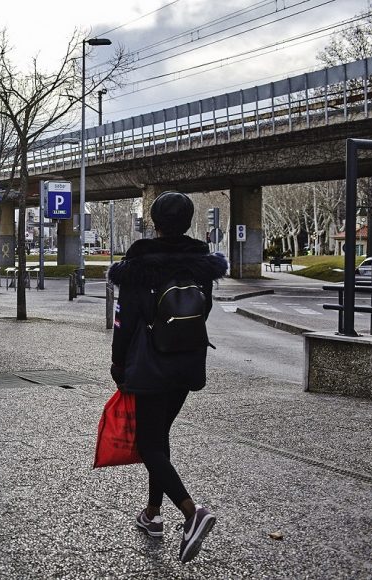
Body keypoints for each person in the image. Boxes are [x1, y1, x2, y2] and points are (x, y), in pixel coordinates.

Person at [107, 191, 228, 564]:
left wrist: (118, 366)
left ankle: (193, 513)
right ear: (189, 221)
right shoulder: (202, 263)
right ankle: (152, 514)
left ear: (155, 223)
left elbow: (124, 322)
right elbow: (200, 311)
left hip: (150, 364)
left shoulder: (140, 263)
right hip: (187, 363)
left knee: (149, 445)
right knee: (159, 439)